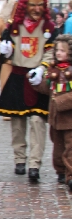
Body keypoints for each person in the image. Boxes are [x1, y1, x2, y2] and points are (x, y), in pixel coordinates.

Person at [0, 0, 56, 182]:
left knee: (38, 121)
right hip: (18, 77)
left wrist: (43, 67)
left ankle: (35, 164)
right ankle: (19, 159)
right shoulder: (14, 27)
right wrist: (4, 50)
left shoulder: (49, 28)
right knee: (18, 122)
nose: (37, 9)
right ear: (24, 5)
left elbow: (51, 52)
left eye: (40, 5)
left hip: (38, 78)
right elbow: (4, 51)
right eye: (32, 5)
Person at [32, 34, 72, 190]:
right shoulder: (54, 69)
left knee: (70, 148)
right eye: (57, 50)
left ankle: (70, 175)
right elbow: (48, 88)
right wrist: (36, 82)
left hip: (69, 118)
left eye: (62, 50)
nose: (58, 53)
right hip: (55, 117)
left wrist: (61, 102)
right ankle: (61, 171)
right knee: (58, 147)